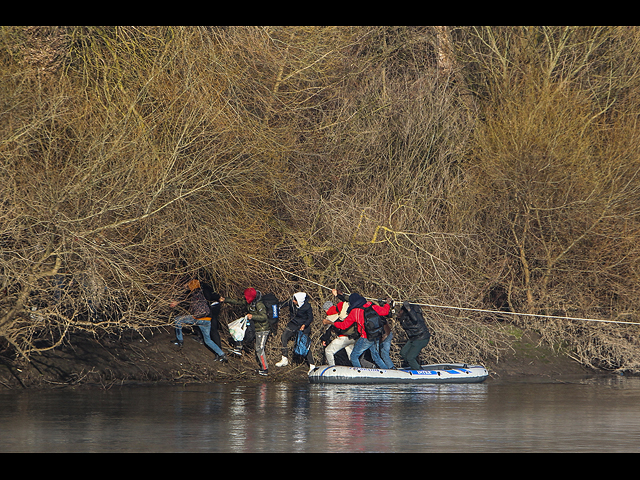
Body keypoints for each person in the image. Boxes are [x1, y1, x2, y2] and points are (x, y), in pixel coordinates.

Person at [323, 292, 391, 369]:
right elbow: (385, 312)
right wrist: (387, 303)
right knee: (376, 356)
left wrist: (331, 323)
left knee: (353, 356)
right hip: (376, 334)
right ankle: (387, 371)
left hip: (365, 337)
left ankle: (360, 373)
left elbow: (343, 326)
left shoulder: (355, 311)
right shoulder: (370, 305)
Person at [170, 279, 228, 362]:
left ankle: (179, 340)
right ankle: (222, 354)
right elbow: (213, 295)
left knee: (178, 319)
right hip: (207, 319)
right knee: (207, 340)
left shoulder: (191, 293)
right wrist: (219, 297)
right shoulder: (204, 292)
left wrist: (176, 302)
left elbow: (183, 298)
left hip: (197, 318)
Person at [222, 288, 270, 376]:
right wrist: (225, 299)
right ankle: (238, 347)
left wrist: (253, 316)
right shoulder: (249, 301)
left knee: (259, 349)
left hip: (262, 329)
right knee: (241, 332)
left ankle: (265, 369)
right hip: (253, 327)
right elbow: (238, 301)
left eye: (247, 297)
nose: (245, 298)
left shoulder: (259, 305)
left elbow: (264, 317)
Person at [276, 292, 315, 372]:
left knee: (304, 345)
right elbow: (282, 304)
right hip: (293, 324)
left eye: (295, 300)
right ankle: (284, 358)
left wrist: (305, 324)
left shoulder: (307, 306)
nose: (293, 301)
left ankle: (312, 365)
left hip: (303, 326)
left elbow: (310, 318)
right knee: (284, 336)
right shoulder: (291, 302)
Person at [319, 294, 357, 366]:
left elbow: (328, 331)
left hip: (343, 337)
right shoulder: (344, 312)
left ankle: (332, 368)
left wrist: (324, 339)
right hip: (353, 337)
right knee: (351, 355)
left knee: (328, 351)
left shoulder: (330, 317)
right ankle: (355, 368)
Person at [397, 301, 431, 371]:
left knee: (410, 357)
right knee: (403, 353)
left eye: (398, 312)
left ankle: (419, 371)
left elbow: (414, 318)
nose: (397, 314)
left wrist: (409, 309)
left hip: (421, 337)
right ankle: (414, 365)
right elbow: (388, 314)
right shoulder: (402, 318)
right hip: (413, 338)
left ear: (402, 311)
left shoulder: (411, 316)